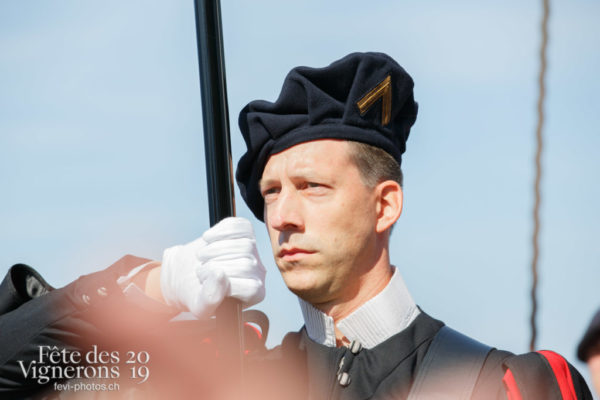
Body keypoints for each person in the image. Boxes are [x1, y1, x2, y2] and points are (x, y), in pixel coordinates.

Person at [0, 52, 592, 399]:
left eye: (312, 187)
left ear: (384, 205)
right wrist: (158, 285)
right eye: (271, 193)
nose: (281, 216)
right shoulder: (229, 375)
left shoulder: (505, 386)